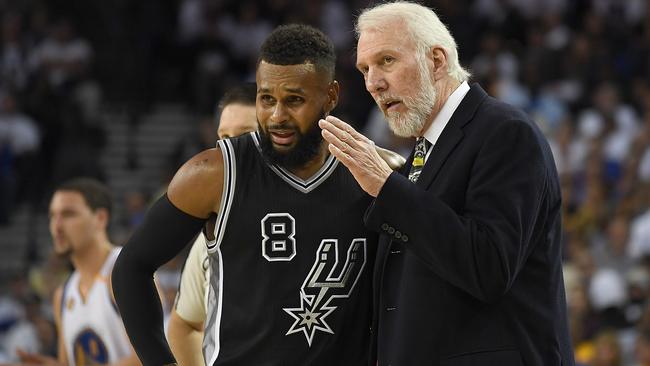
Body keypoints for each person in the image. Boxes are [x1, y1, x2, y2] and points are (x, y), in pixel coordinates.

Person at [113, 24, 399, 365]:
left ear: (331, 96)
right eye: (267, 99)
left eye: (294, 100)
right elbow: (131, 266)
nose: (277, 117)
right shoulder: (214, 173)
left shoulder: (380, 173)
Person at [319, 2, 574, 365]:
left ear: (436, 61)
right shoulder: (424, 153)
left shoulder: (505, 133)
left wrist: (386, 187)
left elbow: (489, 267)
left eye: (387, 61)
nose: (373, 82)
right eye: (365, 68)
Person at [166, 82, 257, 366]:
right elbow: (183, 326)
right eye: (223, 137)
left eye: (245, 135)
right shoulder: (210, 237)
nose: (230, 148)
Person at [17, 178, 140, 366]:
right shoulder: (63, 294)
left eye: (68, 214)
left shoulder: (126, 273)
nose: (56, 226)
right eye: (52, 216)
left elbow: (151, 358)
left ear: (100, 218)